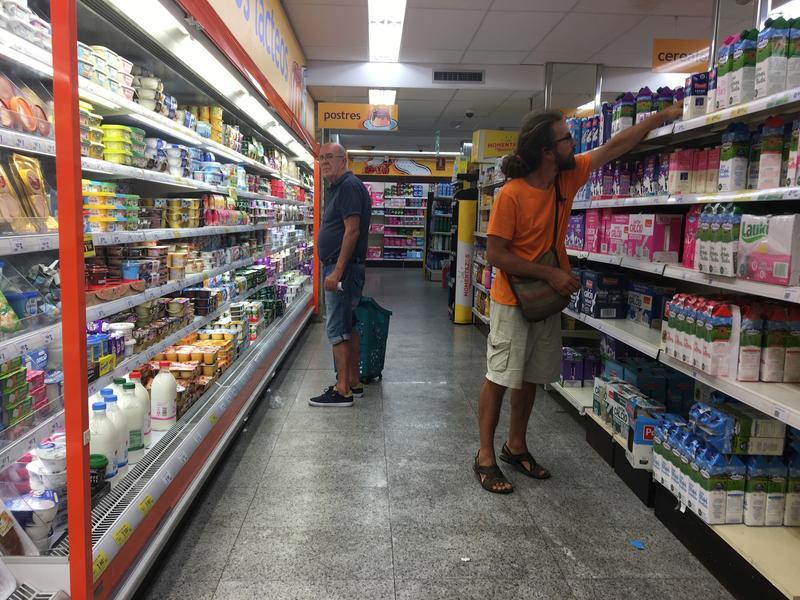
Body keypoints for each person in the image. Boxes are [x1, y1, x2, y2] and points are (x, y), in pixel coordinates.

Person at [474, 102, 683, 493]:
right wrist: (551, 273)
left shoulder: (566, 178)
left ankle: (515, 446)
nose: (574, 143)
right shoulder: (511, 195)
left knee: (530, 378)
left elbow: (614, 146)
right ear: (546, 150)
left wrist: (660, 118)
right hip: (512, 300)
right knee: (500, 378)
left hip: (547, 300)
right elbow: (497, 254)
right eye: (566, 138)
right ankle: (484, 455)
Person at [309, 143, 372, 407]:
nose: (324, 162)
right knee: (348, 326)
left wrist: (336, 271)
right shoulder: (341, 187)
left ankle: (342, 389)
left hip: (342, 270)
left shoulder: (348, 186)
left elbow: (352, 230)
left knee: (338, 329)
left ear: (343, 160)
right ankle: (353, 381)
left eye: (329, 157)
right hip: (344, 268)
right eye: (321, 158)